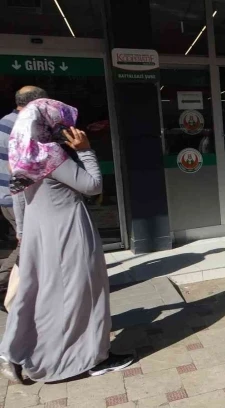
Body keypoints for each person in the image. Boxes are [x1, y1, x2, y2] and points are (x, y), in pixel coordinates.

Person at [0, 99, 133, 383]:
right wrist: (85, 151)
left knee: (39, 294)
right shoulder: (50, 155)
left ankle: (15, 351)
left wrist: (22, 233)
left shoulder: (22, 153)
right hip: (69, 231)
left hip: (38, 234)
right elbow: (92, 186)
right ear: (48, 125)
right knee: (86, 293)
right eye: (61, 123)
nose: (67, 129)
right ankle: (94, 358)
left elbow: (19, 199)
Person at [0, 86, 48, 304]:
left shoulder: (4, 121)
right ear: (35, 104)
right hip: (18, 197)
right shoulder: (24, 126)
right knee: (26, 245)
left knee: (28, 245)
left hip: (6, 194)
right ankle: (4, 285)